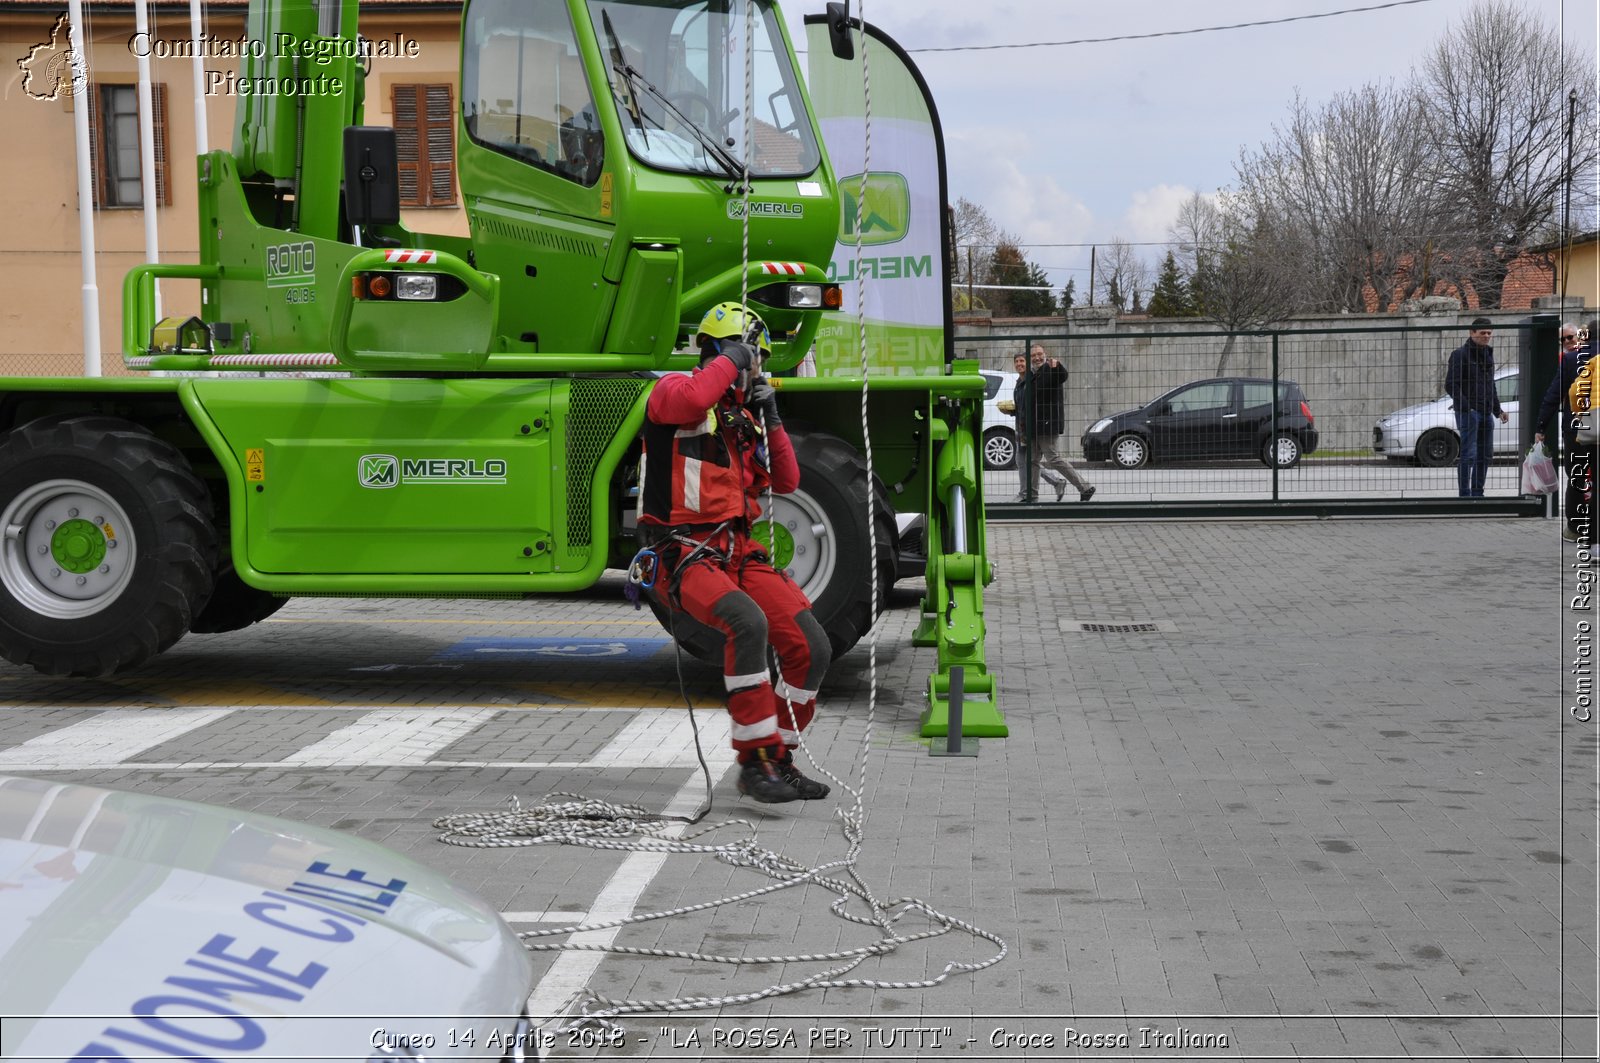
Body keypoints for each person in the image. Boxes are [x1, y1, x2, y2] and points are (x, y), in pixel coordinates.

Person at [637, 302, 831, 804]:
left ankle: (778, 758)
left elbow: (786, 479)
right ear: (717, 351)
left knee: (811, 646)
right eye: (751, 357)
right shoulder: (671, 393)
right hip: (685, 555)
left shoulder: (739, 419)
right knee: (747, 625)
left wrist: (771, 417)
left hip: (738, 551)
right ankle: (753, 764)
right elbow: (697, 394)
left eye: (758, 361)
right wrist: (731, 359)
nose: (754, 369)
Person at [1534, 321, 1596, 543]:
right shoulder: (1568, 359)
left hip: (1577, 429)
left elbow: (1553, 395)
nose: (1567, 343)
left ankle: (1575, 528)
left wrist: (1541, 426)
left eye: (1570, 337)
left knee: (1577, 477)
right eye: (1563, 340)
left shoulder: (1570, 360)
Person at [1443, 318, 1508, 498]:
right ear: (1472, 333)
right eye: (1482, 333)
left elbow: (1490, 385)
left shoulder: (1488, 354)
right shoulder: (1460, 355)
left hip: (1487, 412)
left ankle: (1478, 494)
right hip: (1469, 413)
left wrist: (1498, 410)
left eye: (1489, 333)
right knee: (1468, 455)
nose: (1486, 336)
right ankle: (1465, 496)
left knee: (1485, 455)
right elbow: (1450, 384)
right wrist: (1467, 408)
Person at [1025, 345, 1096, 503]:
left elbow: (1062, 376)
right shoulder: (1031, 375)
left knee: (1053, 458)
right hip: (1034, 425)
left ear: (1045, 355)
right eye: (1033, 355)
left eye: (1039, 354)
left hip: (1047, 423)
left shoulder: (1051, 369)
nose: (1037, 358)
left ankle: (1085, 487)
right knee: (1032, 460)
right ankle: (1032, 496)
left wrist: (1057, 366)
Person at [1010, 351, 1064, 502]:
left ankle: (1025, 494)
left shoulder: (1032, 380)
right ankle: (1054, 482)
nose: (1019, 364)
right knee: (1028, 461)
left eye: (1022, 361)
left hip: (1030, 428)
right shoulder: (1019, 381)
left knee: (1026, 461)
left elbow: (1034, 405)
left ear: (1029, 363)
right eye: (1017, 361)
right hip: (1020, 427)